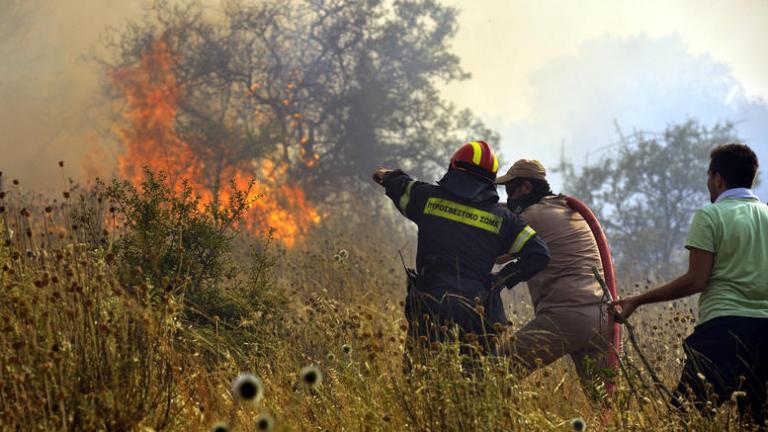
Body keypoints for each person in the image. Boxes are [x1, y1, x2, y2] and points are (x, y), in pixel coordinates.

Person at [612, 143, 768, 427]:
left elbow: (697, 280)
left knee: (683, 420)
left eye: (709, 177)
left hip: (723, 332)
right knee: (755, 423)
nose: (708, 184)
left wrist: (639, 299)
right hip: (766, 334)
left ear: (718, 178)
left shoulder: (711, 216)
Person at [372, 141, 550, 359]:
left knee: (420, 378)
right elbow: (539, 254)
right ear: (490, 181)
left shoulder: (426, 197)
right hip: (478, 311)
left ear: (454, 168)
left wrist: (385, 175)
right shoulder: (505, 221)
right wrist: (502, 279)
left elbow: (396, 182)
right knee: (473, 385)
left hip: (431, 308)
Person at [495, 159, 614, 396]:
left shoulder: (532, 215)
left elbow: (498, 255)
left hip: (566, 316)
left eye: (511, 190)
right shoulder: (566, 209)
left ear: (526, 187)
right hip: (602, 317)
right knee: (604, 404)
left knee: (497, 371)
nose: (509, 198)